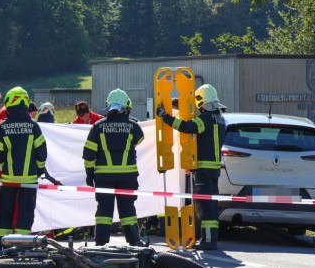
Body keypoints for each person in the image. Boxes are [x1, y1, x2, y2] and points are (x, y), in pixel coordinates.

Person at [156, 84, 226, 250]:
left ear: (201, 101)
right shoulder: (220, 118)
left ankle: (208, 242)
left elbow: (187, 127)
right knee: (212, 205)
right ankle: (212, 240)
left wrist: (165, 116)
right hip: (215, 169)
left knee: (204, 207)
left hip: (202, 168)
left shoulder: (205, 119)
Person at [82, 89, 144, 246]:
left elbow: (89, 154)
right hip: (127, 177)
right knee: (128, 210)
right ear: (125, 106)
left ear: (107, 106)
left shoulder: (97, 127)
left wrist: (90, 174)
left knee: (104, 210)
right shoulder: (133, 126)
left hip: (104, 177)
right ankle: (134, 241)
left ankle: (101, 243)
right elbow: (139, 139)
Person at [0, 87, 48, 251]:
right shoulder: (33, 126)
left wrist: (6, 167)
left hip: (8, 180)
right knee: (25, 215)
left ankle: (1, 249)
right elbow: (42, 153)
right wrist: (39, 170)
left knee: (4, 215)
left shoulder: (2, 127)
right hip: (29, 181)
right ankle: (22, 249)